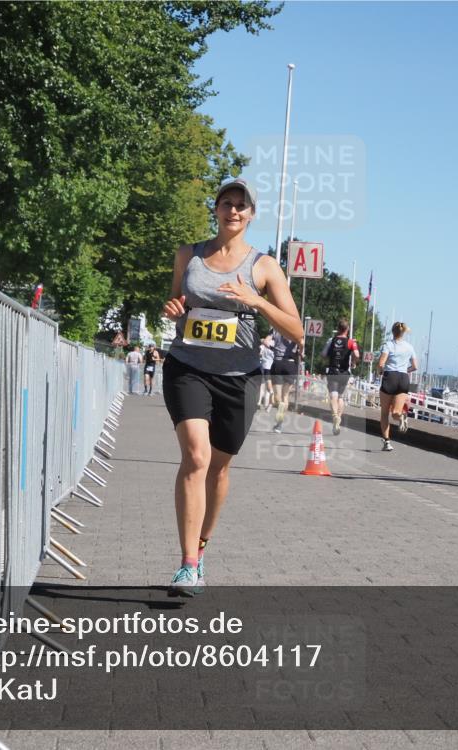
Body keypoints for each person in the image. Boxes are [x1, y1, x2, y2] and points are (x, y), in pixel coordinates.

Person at [161, 177, 302, 596]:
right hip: (188, 367)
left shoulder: (264, 266)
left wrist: (256, 301)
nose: (234, 211)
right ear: (216, 209)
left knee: (219, 467)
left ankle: (201, 549)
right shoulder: (189, 255)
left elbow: (295, 330)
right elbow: (176, 306)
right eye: (227, 203)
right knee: (196, 457)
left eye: (242, 205)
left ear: (251, 215)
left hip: (239, 378)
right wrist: (172, 310)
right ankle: (187, 565)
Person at [377, 322, 417, 452]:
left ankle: (387, 442)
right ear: (403, 333)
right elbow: (415, 366)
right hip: (403, 378)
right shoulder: (409, 347)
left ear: (392, 332)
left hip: (390, 377)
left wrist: (380, 371)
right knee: (395, 412)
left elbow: (381, 363)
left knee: (384, 413)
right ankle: (400, 417)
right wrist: (406, 370)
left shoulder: (388, 345)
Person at [321, 319, 361, 435]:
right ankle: (338, 417)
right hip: (345, 373)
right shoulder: (351, 342)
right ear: (347, 329)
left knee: (333, 395)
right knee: (341, 397)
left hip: (333, 371)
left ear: (338, 329)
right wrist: (353, 361)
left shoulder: (331, 340)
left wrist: (330, 356)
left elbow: (323, 354)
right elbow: (357, 355)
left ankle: (334, 416)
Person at [270, 330, 301, 433]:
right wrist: (300, 351)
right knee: (285, 396)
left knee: (277, 397)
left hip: (278, 363)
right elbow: (302, 344)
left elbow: (266, 341)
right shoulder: (296, 330)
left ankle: (280, 409)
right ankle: (279, 424)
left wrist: (272, 347)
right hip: (291, 365)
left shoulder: (275, 329)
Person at [258, 333, 275, 410]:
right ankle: (266, 403)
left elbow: (259, 352)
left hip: (264, 367)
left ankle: (259, 401)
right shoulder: (276, 344)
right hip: (272, 366)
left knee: (262, 385)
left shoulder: (265, 343)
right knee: (269, 386)